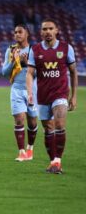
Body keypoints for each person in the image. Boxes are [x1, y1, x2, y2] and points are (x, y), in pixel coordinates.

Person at [26, 18, 78, 174]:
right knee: (48, 129)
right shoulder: (35, 50)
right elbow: (29, 73)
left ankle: (58, 161)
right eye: (44, 29)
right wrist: (29, 92)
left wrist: (74, 96)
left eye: (50, 29)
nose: (47, 32)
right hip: (42, 95)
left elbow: (73, 72)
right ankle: (52, 162)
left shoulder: (66, 48)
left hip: (60, 92)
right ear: (40, 32)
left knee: (60, 124)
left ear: (56, 31)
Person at [2, 24, 38, 162]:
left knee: (33, 122)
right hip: (16, 89)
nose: (17, 34)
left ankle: (30, 148)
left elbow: (39, 72)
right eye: (15, 32)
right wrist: (13, 61)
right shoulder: (10, 51)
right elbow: (4, 72)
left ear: (27, 33)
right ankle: (21, 152)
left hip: (32, 90)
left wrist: (26, 62)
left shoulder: (34, 50)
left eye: (20, 32)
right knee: (19, 120)